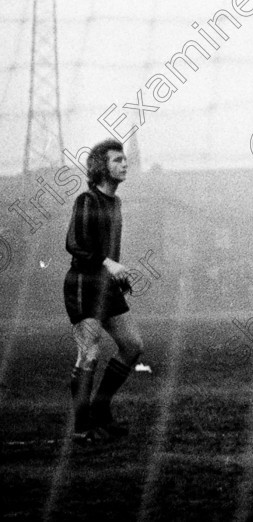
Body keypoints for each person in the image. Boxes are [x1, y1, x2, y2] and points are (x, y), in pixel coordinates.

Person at [63, 139, 144, 443]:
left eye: (125, 160)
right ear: (100, 167)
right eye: (116, 160)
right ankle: (82, 428)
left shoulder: (116, 203)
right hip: (83, 285)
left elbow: (107, 250)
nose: (124, 164)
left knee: (133, 346)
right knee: (89, 354)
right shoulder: (87, 201)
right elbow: (74, 244)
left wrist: (116, 273)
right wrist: (109, 263)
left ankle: (100, 410)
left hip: (106, 287)